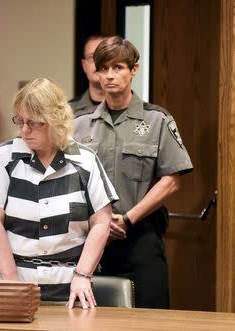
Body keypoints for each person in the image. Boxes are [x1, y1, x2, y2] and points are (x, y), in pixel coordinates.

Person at [0, 78, 118, 309]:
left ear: (56, 120)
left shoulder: (85, 159)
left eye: (34, 123)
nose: (24, 130)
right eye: (20, 121)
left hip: (71, 287)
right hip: (16, 282)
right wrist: (10, 278)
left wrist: (83, 275)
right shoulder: (4, 156)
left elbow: (101, 222)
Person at [73, 36, 193, 309]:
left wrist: (127, 219)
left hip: (140, 237)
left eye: (118, 68)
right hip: (91, 239)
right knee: (91, 318)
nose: (109, 76)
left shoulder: (157, 120)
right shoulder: (80, 126)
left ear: (134, 70)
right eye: (103, 69)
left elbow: (171, 181)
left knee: (152, 317)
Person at [69, 34, 109, 117]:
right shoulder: (67, 112)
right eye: (91, 57)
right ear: (84, 66)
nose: (97, 63)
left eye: (103, 56)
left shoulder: (132, 109)